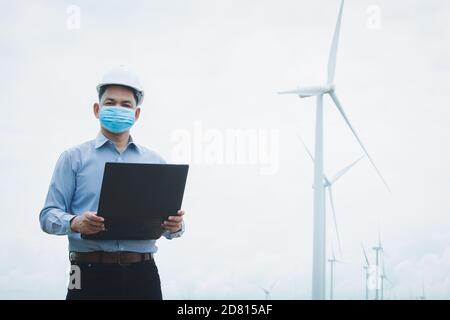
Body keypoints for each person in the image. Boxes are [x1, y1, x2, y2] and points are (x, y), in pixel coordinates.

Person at [39, 66, 185, 300]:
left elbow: (172, 230)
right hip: (84, 272)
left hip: (143, 272)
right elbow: (47, 216)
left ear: (136, 114)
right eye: (110, 102)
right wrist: (75, 222)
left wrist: (176, 226)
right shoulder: (73, 158)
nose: (118, 109)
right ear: (97, 109)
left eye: (126, 105)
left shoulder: (156, 162)